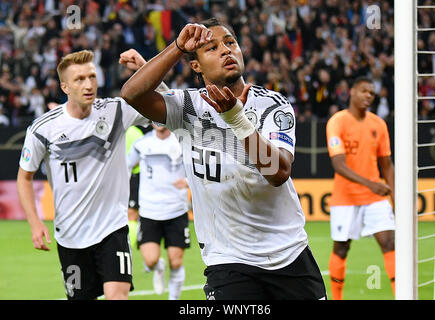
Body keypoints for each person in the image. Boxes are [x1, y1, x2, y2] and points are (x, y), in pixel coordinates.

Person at [120, 18, 327, 300]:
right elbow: (131, 93)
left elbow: (278, 174)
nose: (226, 51)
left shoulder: (272, 104)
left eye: (230, 42)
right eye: (212, 48)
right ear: (196, 65)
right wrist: (177, 47)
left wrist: (236, 119)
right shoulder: (187, 107)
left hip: (288, 254)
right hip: (228, 261)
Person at [16, 50, 151, 300]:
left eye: (92, 76)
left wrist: (145, 67)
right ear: (65, 86)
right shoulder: (43, 128)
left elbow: (166, 102)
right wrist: (35, 222)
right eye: (79, 79)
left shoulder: (116, 112)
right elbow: (24, 177)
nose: (88, 84)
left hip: (112, 229)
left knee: (117, 296)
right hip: (70, 237)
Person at [326, 77, 395, 300]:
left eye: (372, 93)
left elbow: (387, 165)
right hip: (345, 198)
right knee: (341, 249)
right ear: (352, 92)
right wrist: (372, 184)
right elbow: (339, 165)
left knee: (389, 242)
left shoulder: (379, 124)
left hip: (375, 199)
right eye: (364, 91)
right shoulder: (337, 122)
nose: (368, 96)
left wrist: (395, 198)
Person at [127, 123, 190, 300]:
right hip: (149, 212)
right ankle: (158, 268)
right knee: (150, 260)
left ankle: (174, 299)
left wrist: (187, 181)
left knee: (176, 261)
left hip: (176, 210)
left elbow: (197, 167)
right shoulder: (142, 144)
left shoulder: (182, 142)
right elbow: (126, 167)